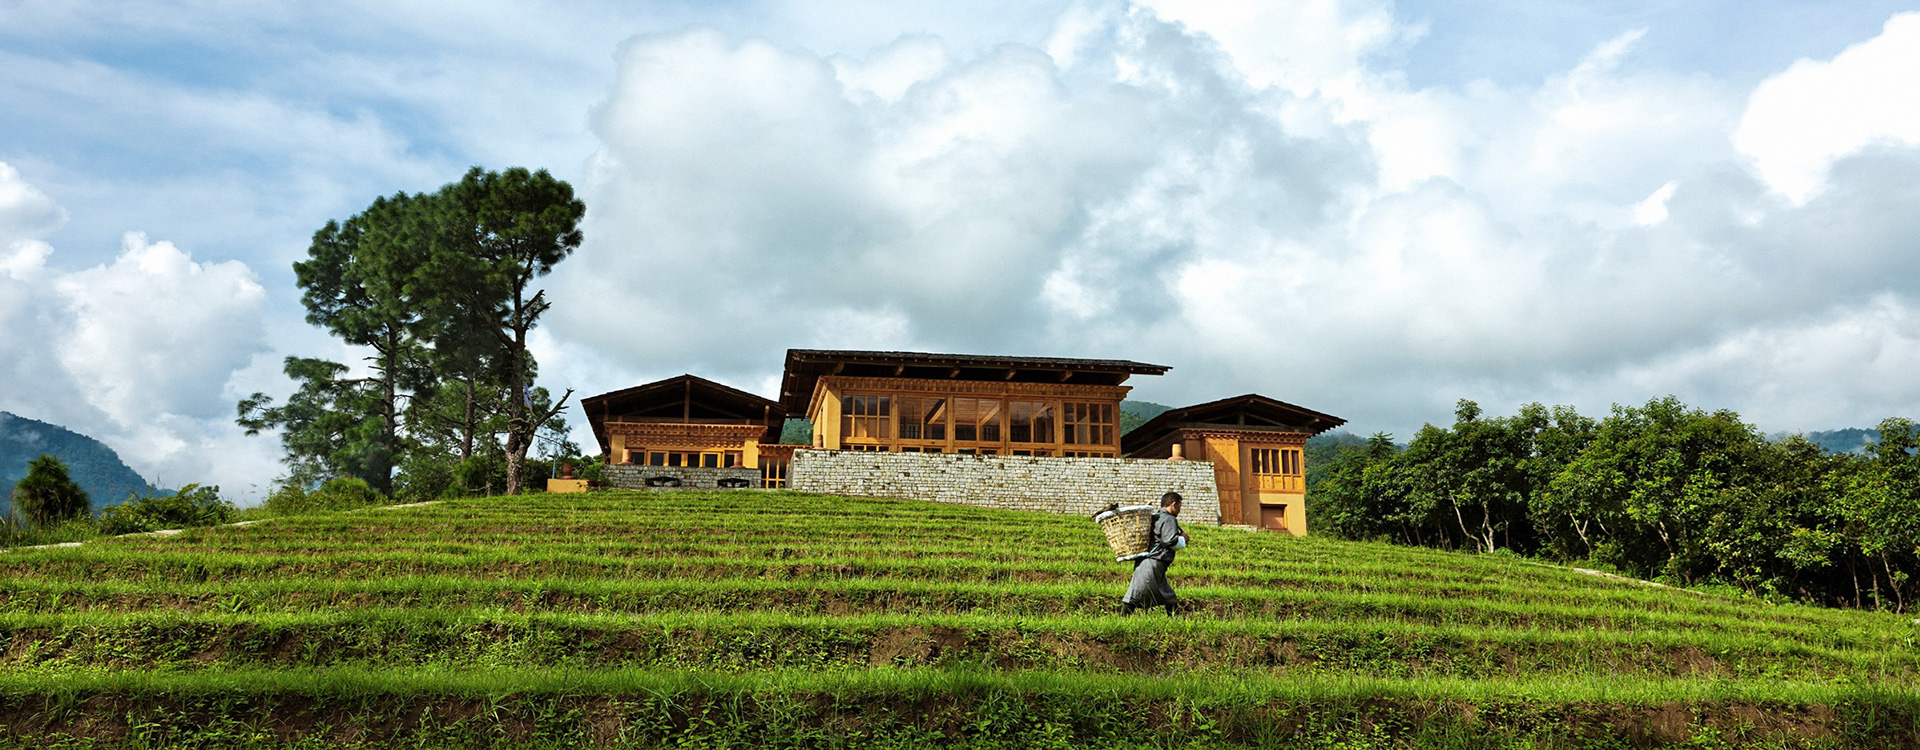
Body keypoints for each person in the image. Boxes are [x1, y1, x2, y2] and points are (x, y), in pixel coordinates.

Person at [1120, 491, 1188, 616]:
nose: (1179, 510)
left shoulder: (1155, 517)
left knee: (1169, 596)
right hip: (1152, 563)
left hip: (1149, 563)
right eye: (1179, 506)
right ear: (1174, 504)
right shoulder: (1168, 519)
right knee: (1135, 595)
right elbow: (1170, 541)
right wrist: (1184, 538)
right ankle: (1120, 621)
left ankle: (1176, 621)